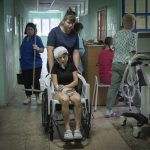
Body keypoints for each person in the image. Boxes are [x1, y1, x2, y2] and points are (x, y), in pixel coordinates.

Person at [105, 14, 141, 117]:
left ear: (123, 23)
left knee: (113, 88)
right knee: (135, 87)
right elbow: (132, 53)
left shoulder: (116, 35)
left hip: (116, 64)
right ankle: (139, 109)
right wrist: (135, 67)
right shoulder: (133, 36)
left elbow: (114, 48)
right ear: (132, 23)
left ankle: (108, 110)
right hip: (127, 66)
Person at [51, 46, 82, 140]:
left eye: (64, 56)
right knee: (65, 99)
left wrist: (66, 87)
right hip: (59, 91)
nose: (63, 59)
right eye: (60, 58)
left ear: (67, 55)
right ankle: (67, 129)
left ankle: (77, 129)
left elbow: (76, 81)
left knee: (77, 99)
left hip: (70, 89)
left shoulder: (71, 65)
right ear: (57, 59)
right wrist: (59, 87)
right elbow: (55, 83)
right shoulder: (55, 67)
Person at [47, 8, 80, 73]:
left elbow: (76, 52)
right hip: (55, 63)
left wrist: (76, 68)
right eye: (68, 23)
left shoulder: (75, 34)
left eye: (73, 23)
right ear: (63, 21)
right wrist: (51, 69)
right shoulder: (54, 32)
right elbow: (50, 51)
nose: (71, 25)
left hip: (68, 64)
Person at [20, 23, 44, 105]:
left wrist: (37, 48)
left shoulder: (37, 39)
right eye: (28, 29)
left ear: (34, 31)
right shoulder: (25, 39)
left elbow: (42, 50)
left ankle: (38, 97)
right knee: (26, 81)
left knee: (35, 80)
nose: (29, 31)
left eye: (31, 29)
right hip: (25, 64)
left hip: (35, 64)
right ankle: (28, 97)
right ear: (26, 30)